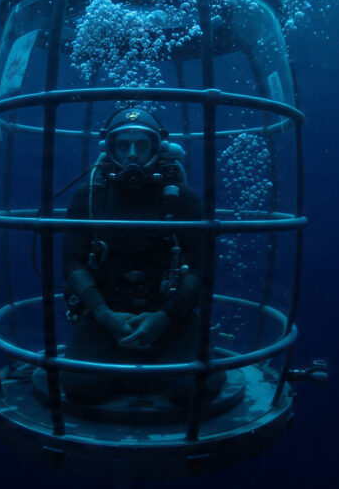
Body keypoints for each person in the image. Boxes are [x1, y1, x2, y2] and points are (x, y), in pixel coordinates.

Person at [61, 108, 225, 406]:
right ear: (110, 149)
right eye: (123, 145)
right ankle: (142, 364)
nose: (132, 155)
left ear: (157, 148)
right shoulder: (88, 197)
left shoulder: (182, 199)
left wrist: (164, 318)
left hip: (170, 312)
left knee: (195, 390)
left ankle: (143, 362)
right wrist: (104, 315)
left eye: (141, 145)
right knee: (77, 385)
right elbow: (73, 261)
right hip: (106, 311)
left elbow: (201, 267)